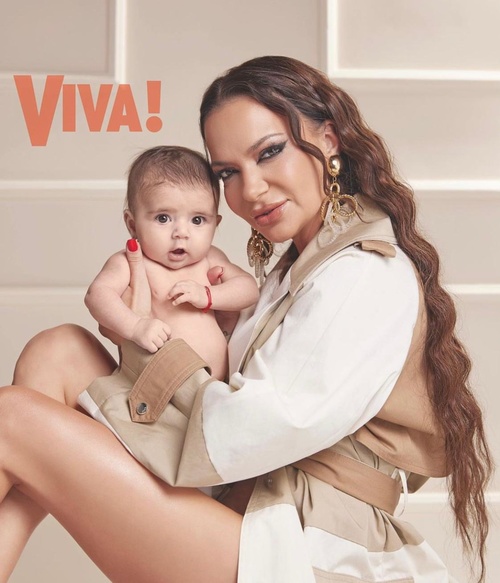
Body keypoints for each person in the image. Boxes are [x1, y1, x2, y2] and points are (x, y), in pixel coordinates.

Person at [0, 56, 493, 583]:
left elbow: (241, 436)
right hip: (245, 510)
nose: (250, 189)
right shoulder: (294, 273)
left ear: (328, 140)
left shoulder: (361, 274)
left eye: (269, 152)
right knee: (57, 352)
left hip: (297, 547)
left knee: (10, 419)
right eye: (228, 173)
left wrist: (148, 341)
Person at [85, 145, 259, 380]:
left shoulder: (210, 259)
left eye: (197, 220)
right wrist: (136, 327)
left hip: (216, 389)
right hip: (154, 391)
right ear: (133, 225)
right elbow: (97, 295)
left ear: (215, 225)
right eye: (163, 218)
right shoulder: (129, 262)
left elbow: (248, 290)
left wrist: (208, 295)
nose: (181, 233)